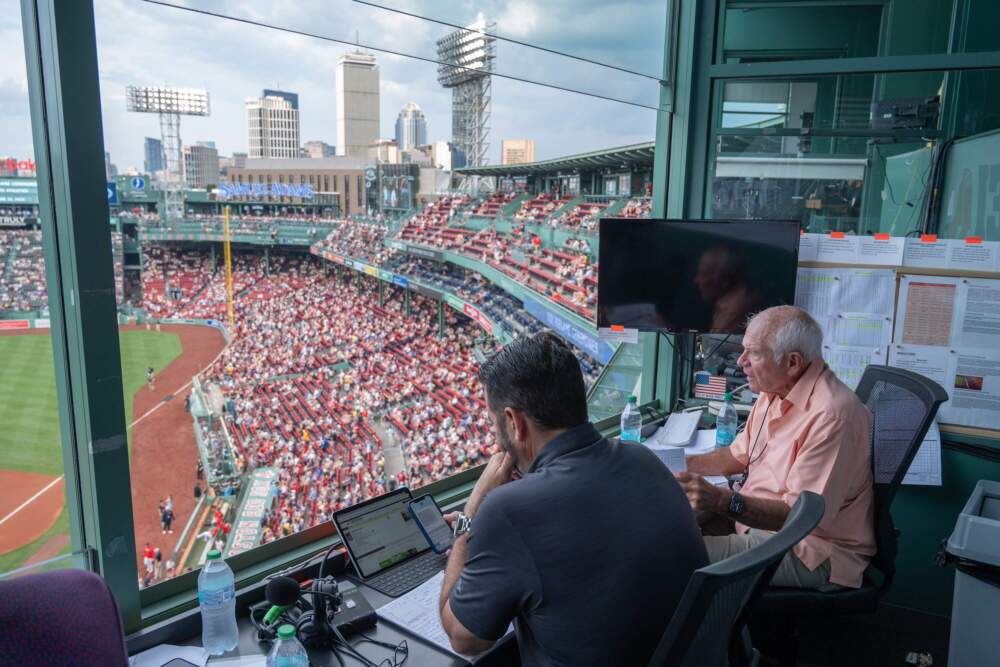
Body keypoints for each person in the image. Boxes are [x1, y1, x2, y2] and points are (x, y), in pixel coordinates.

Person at [439, 332, 707, 665]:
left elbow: (463, 638)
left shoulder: (507, 509)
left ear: (513, 422)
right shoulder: (643, 458)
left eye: (495, 423)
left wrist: (472, 511)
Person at [676, 305, 875, 590]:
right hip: (755, 521)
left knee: (671, 555)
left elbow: (801, 519)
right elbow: (737, 454)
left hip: (807, 548)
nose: (741, 361)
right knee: (663, 531)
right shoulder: (773, 390)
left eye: (754, 353)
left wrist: (720, 501)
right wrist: (675, 463)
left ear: (792, 362)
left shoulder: (832, 415)